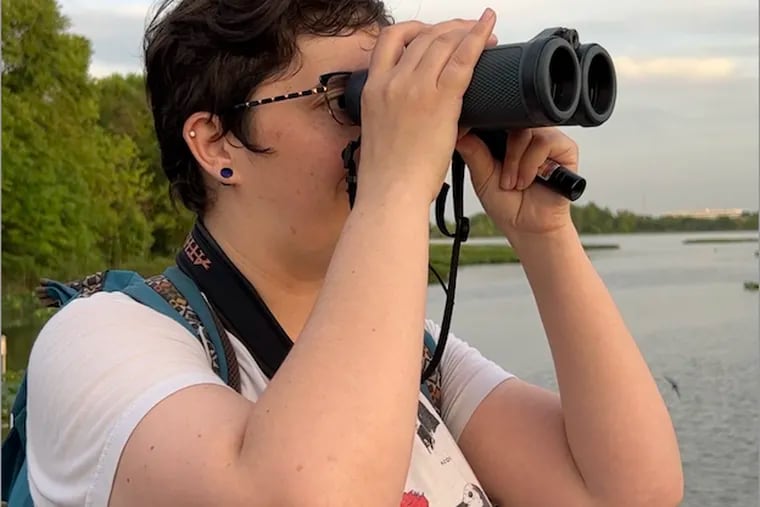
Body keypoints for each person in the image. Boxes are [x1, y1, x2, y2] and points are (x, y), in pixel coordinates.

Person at [24, 1, 684, 506]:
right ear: (217, 142)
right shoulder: (98, 339)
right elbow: (314, 492)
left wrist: (545, 237)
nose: (387, 126)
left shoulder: (418, 356)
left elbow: (627, 492)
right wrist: (396, 183)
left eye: (388, 97)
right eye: (353, 99)